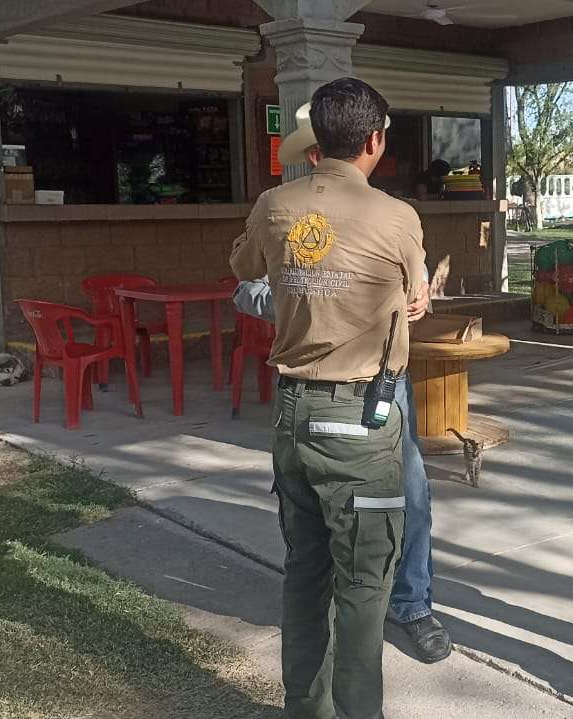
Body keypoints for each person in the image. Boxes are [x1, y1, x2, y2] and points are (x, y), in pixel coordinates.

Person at [230, 78, 428, 719]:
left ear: (317, 140)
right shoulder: (397, 217)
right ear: (374, 140)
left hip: (294, 415)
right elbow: (416, 296)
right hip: (361, 420)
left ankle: (304, 709)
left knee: (305, 572)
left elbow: (244, 268)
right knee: (364, 588)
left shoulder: (274, 204)